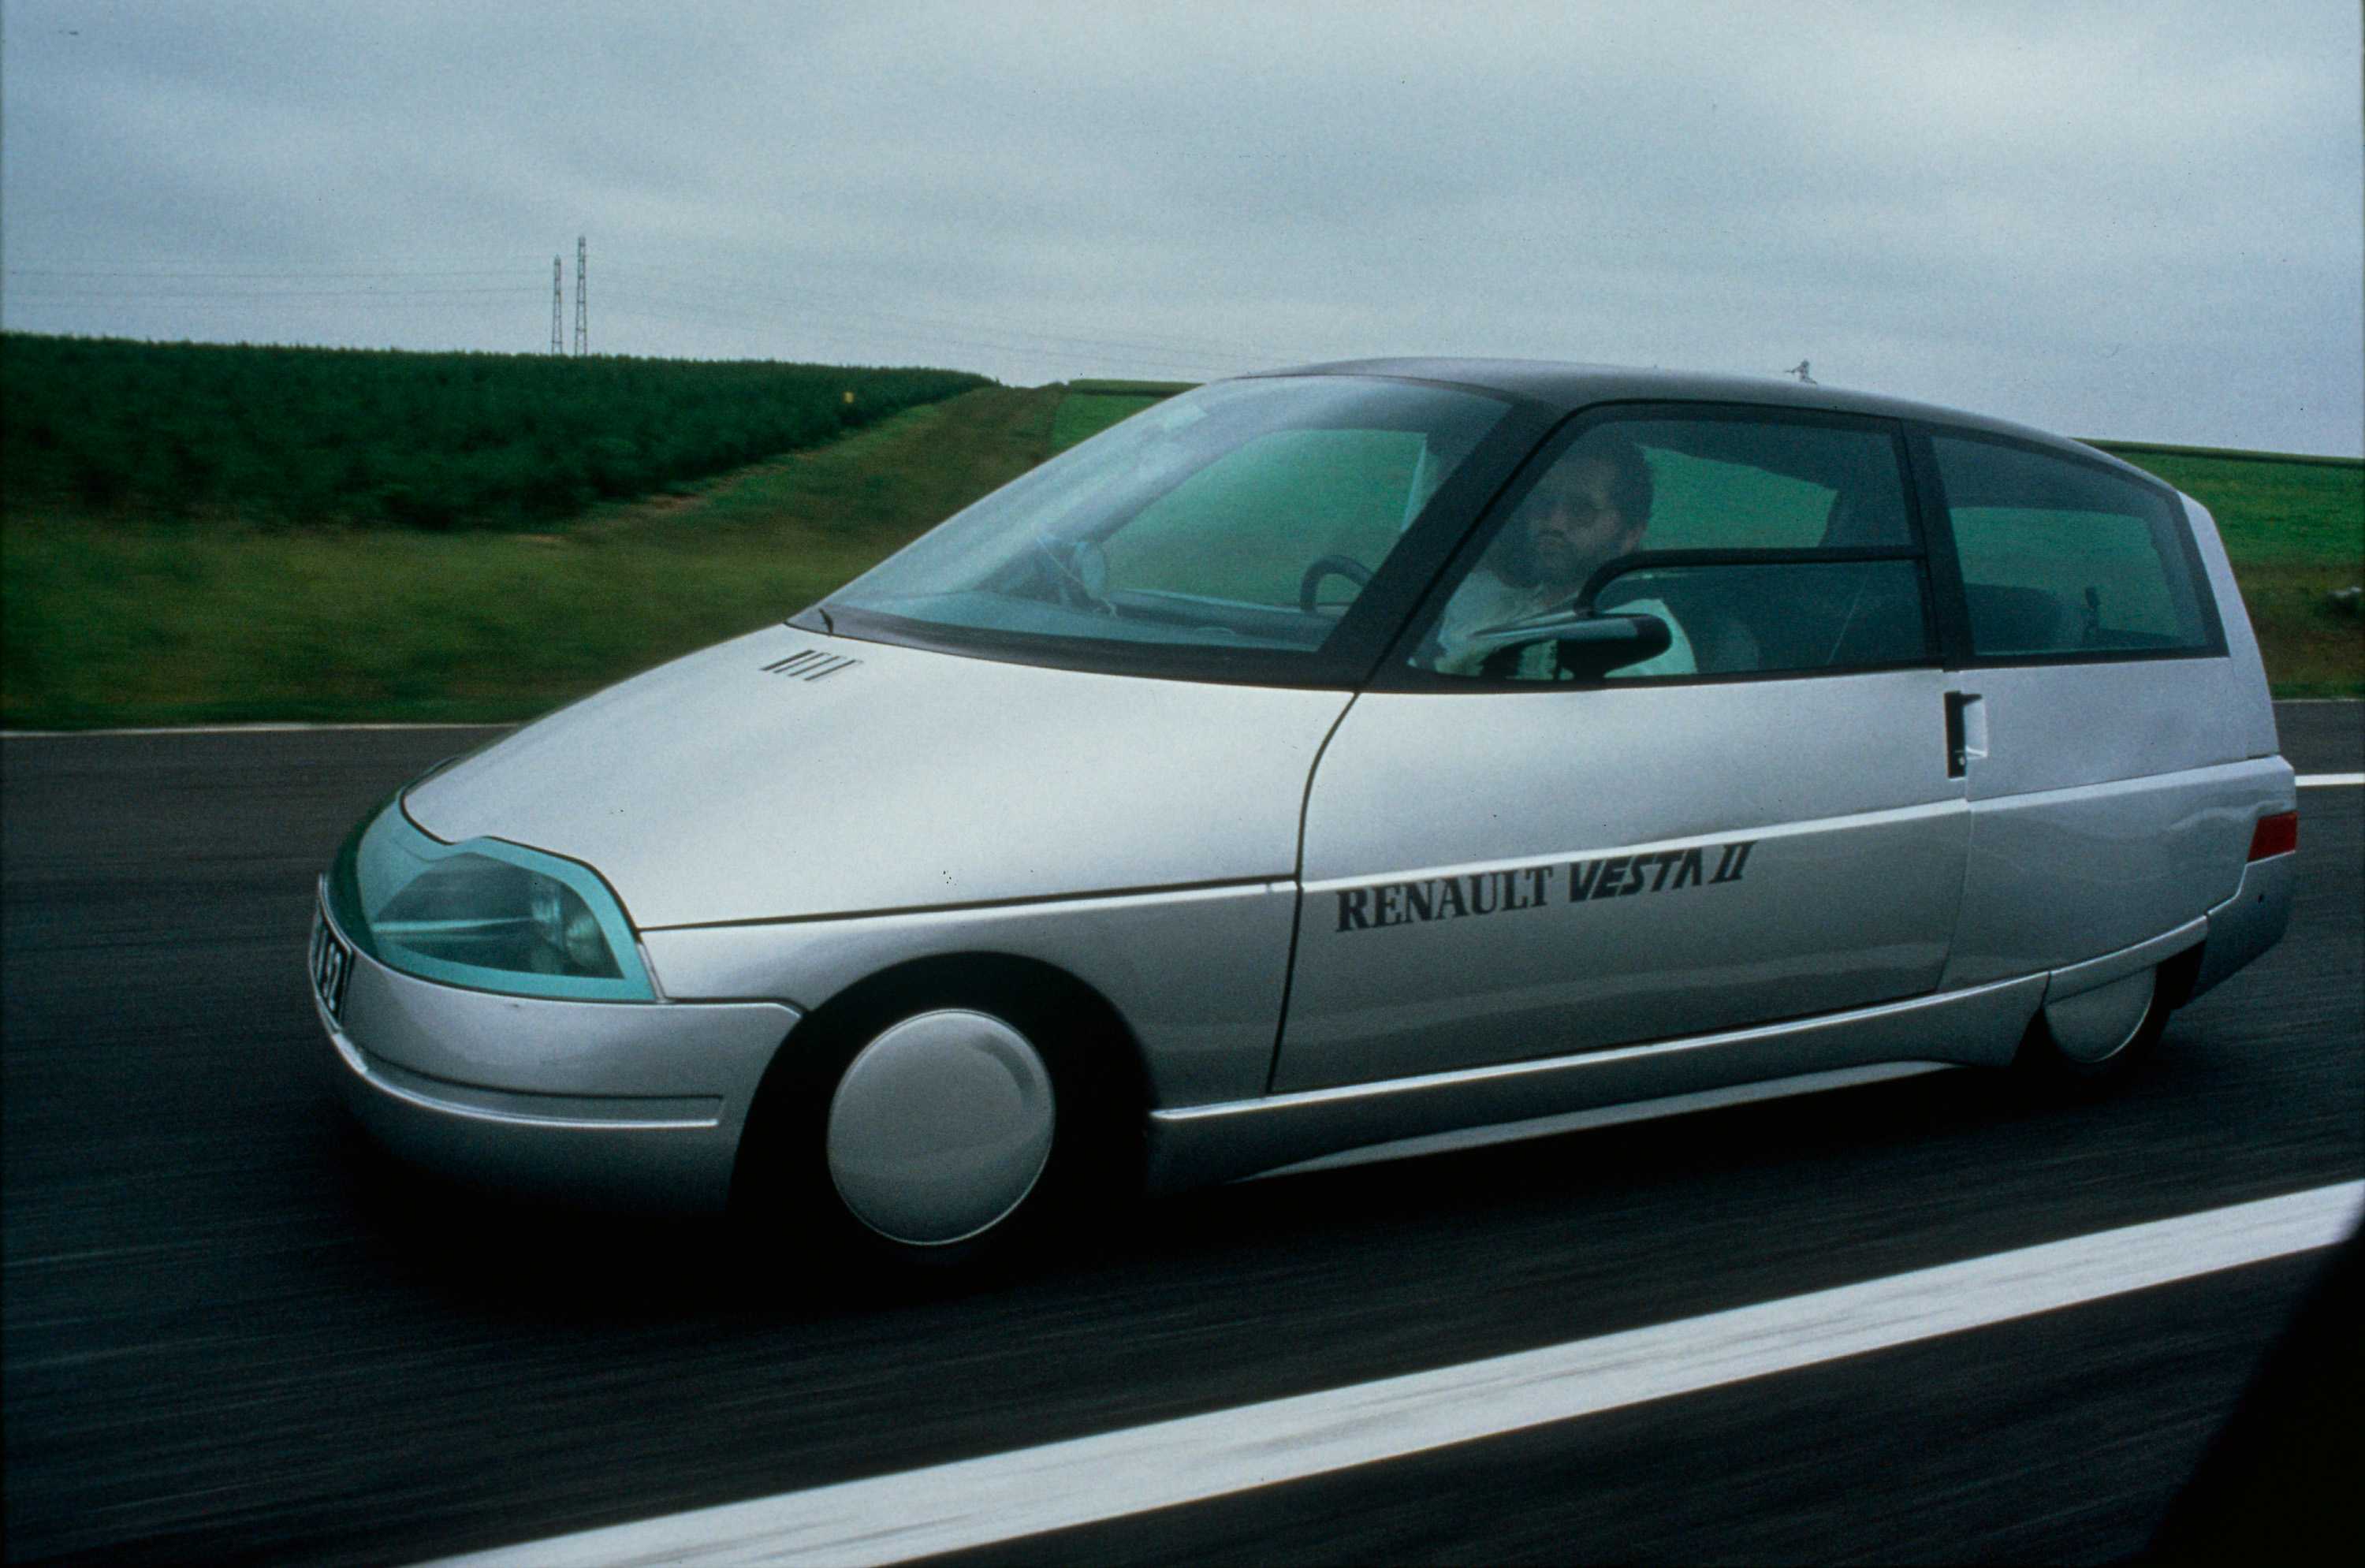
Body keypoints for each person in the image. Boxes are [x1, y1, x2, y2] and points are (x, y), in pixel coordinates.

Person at [1429, 430, 1694, 679]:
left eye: (1581, 509)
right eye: (1543, 502)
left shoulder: (1641, 639)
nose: (1554, 523)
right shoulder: (1495, 598)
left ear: (1631, 534)